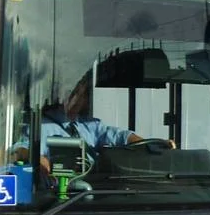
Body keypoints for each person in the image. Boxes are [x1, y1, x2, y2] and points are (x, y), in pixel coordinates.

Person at [11, 73, 174, 174]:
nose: (78, 99)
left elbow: (119, 136)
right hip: (60, 194)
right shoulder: (42, 126)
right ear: (61, 96)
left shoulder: (89, 126)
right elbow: (19, 149)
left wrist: (149, 145)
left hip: (92, 191)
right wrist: (39, 160)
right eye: (73, 94)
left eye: (82, 95)